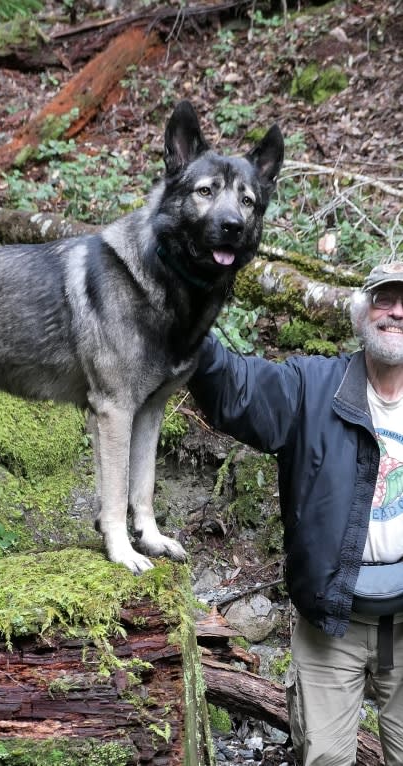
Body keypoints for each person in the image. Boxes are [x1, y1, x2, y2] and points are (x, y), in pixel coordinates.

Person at [188, 260, 403, 765]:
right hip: (332, 624)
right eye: (383, 299)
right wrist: (188, 311)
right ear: (361, 313)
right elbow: (234, 391)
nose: (396, 312)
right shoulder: (310, 387)